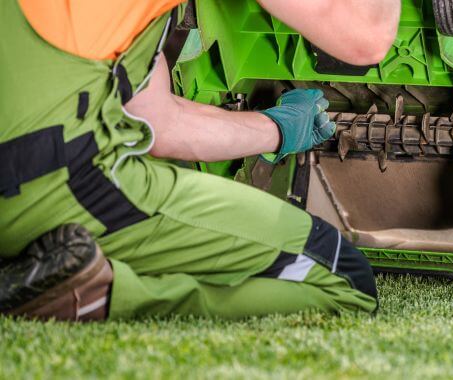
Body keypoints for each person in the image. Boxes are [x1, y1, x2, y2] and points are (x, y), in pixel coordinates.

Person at [0, 0, 401, 321]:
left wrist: (279, 129)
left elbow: (155, 120)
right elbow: (366, 35)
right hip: (48, 185)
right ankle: (96, 296)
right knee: (343, 277)